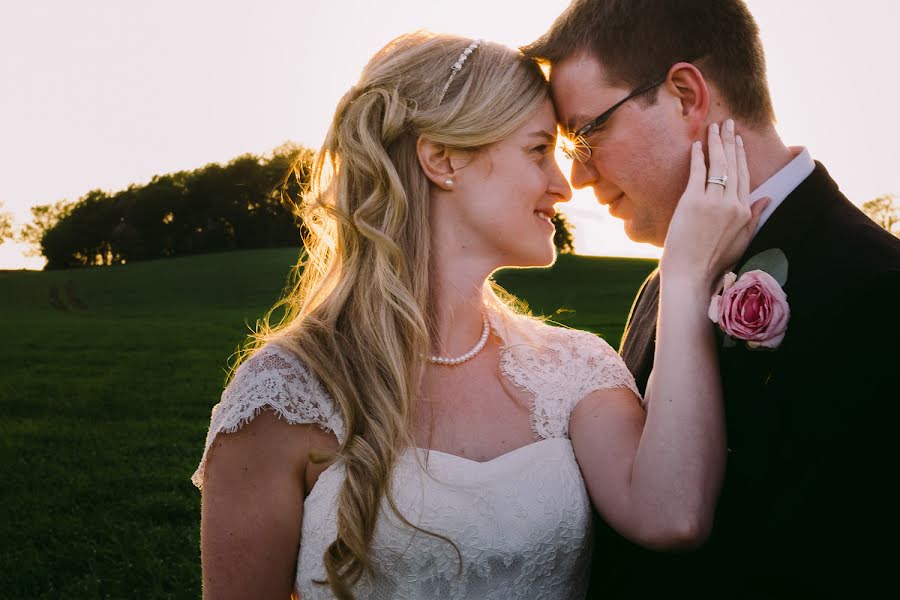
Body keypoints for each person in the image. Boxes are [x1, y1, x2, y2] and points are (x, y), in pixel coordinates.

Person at [192, 30, 762, 599]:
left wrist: (685, 278)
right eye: (539, 150)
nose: (563, 187)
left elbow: (673, 515)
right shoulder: (283, 393)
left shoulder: (574, 369)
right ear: (442, 160)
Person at [524, 1, 900, 598]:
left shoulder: (881, 292)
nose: (581, 178)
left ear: (684, 96)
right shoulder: (659, 289)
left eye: (586, 133)